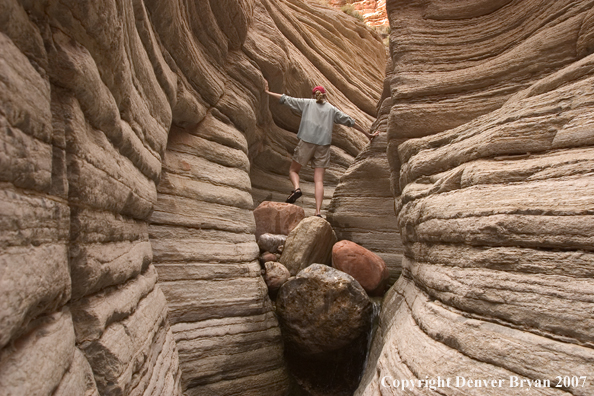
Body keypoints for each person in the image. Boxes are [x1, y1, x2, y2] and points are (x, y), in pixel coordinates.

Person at [264, 81, 378, 217]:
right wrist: (368, 134)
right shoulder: (331, 109)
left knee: (293, 170)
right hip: (323, 146)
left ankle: (296, 189)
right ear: (326, 96)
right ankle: (318, 212)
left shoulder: (307, 103)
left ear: (314, 95)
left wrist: (267, 92)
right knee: (319, 180)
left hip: (306, 142)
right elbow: (350, 121)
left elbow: (285, 99)